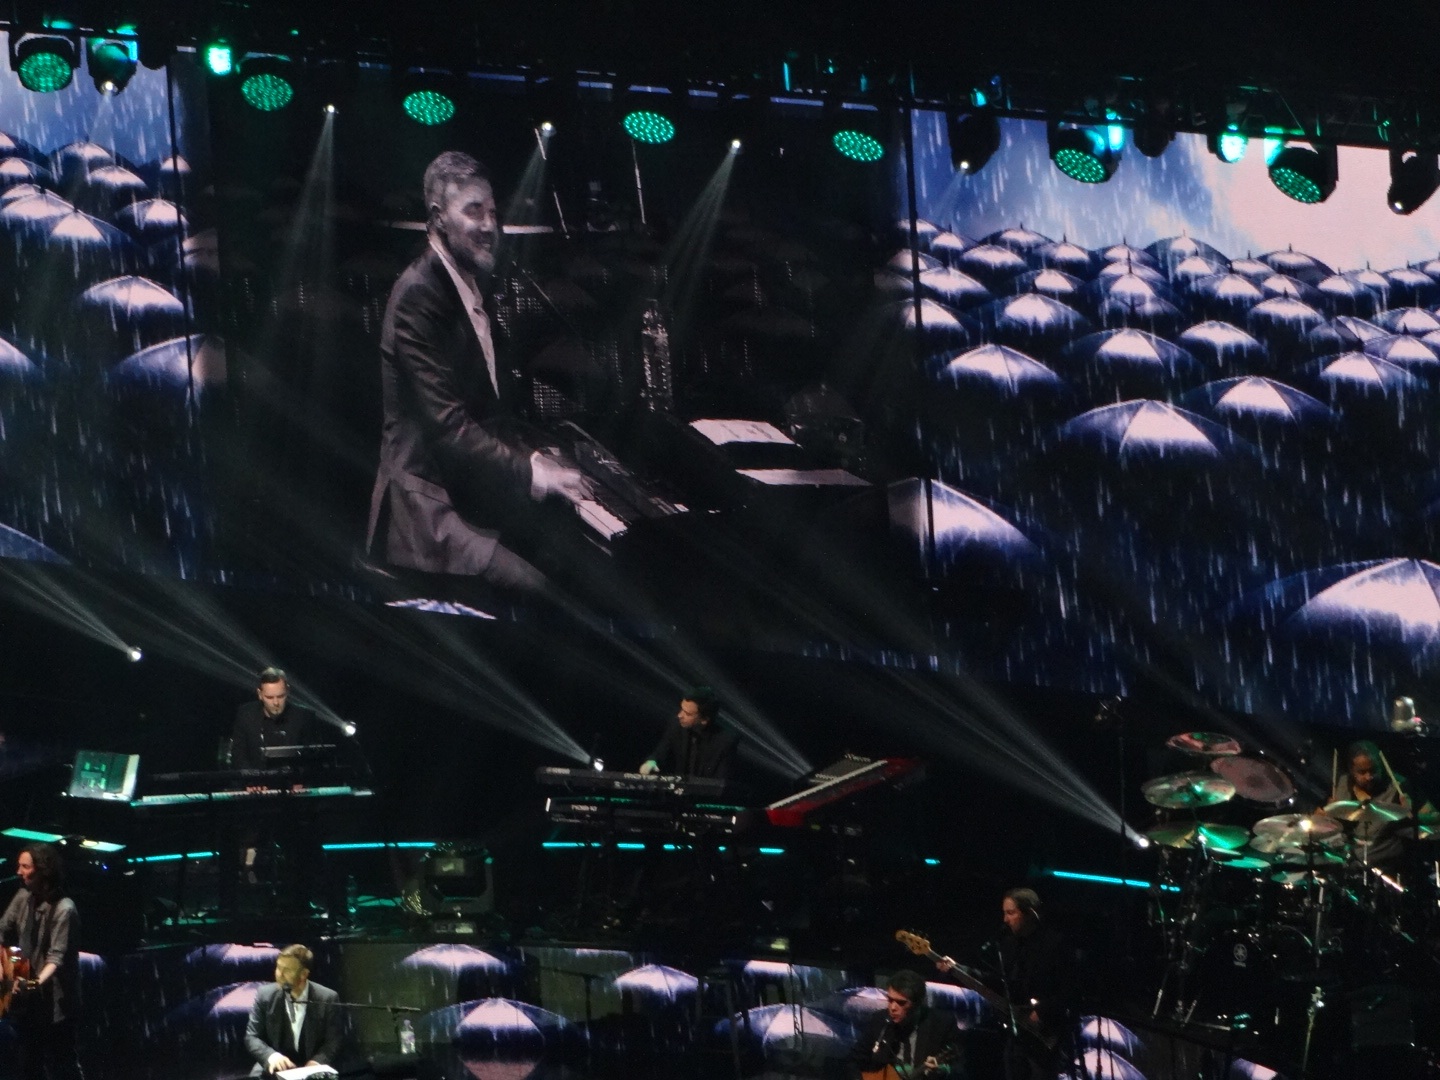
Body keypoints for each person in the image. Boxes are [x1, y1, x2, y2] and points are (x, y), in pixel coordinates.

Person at [364, 149, 591, 588]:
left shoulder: (466, 284)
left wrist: (534, 455)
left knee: (572, 560)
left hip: (470, 490)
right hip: (429, 508)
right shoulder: (418, 295)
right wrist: (531, 472)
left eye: (492, 212)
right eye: (474, 211)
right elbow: (450, 428)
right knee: (539, 589)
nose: (490, 226)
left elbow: (489, 411)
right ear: (438, 218)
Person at [0, 844, 83, 1080]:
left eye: (25, 866)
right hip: (28, 1003)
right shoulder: (22, 897)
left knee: (63, 1063)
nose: (18, 871)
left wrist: (34, 983)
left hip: (57, 1002)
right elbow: (2, 932)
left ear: (43, 871)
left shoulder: (64, 909)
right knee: (29, 1062)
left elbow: (56, 957)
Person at [1324, 739, 1435, 868]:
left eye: (1373, 770)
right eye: (1362, 772)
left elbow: (1435, 816)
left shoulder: (1399, 786)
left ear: (1381, 764)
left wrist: (1411, 815)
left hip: (1384, 864)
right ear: (1351, 770)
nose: (1369, 777)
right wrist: (1329, 813)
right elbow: (1320, 822)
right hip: (1345, 857)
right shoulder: (1342, 783)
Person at [243, 943, 345, 1076]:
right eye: (278, 967)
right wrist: (271, 1056)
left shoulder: (328, 998)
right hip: (274, 1065)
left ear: (304, 974)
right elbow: (252, 1037)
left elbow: (334, 1040)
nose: (279, 974)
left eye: (287, 970)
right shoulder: (264, 995)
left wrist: (317, 1062)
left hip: (311, 1066)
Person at [852, 969, 957, 1078]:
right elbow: (853, 1060)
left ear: (918, 1003)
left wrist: (943, 1069)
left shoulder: (942, 1023)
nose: (893, 1008)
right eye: (890, 1000)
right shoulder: (880, 1020)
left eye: (901, 1003)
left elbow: (958, 1067)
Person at [638, 686, 739, 780]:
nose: (679, 715)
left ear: (704, 720)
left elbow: (720, 780)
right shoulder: (676, 726)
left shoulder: (726, 740)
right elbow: (661, 752)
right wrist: (651, 762)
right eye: (682, 709)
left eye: (687, 713)